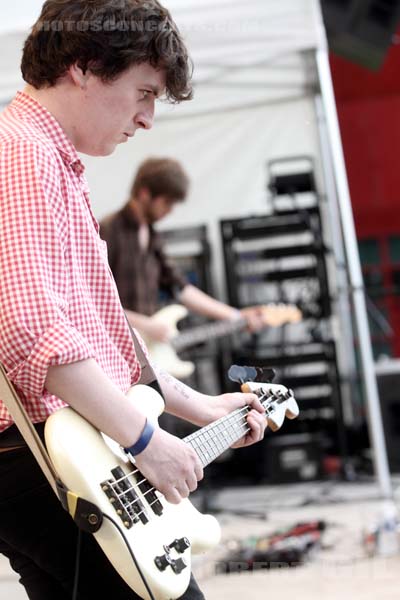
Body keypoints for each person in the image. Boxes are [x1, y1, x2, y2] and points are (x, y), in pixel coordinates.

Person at [0, 2, 267, 600]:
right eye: (144, 92)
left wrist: (199, 407)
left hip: (50, 454)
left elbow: (99, 340)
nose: (148, 119)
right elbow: (29, 327)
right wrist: (147, 443)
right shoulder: (24, 153)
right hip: (46, 455)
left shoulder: (51, 159)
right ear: (85, 66)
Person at [100, 157, 268, 344]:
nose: (170, 211)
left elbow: (180, 288)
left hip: (143, 349)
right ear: (144, 193)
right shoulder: (106, 231)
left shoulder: (152, 235)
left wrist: (235, 315)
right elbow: (92, 301)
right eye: (167, 203)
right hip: (113, 348)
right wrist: (145, 325)